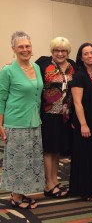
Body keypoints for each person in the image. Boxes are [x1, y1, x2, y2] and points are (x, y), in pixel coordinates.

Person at [0, 31, 44, 209]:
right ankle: (16, 196)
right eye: (21, 47)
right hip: (15, 122)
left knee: (30, 159)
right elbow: (1, 97)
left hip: (34, 121)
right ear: (13, 49)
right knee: (17, 160)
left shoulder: (37, 67)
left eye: (27, 46)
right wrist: (0, 124)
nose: (25, 49)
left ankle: (22, 191)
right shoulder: (8, 70)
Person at [35, 37, 76, 198]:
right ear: (52, 51)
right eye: (57, 50)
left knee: (57, 148)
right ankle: (49, 184)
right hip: (49, 113)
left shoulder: (72, 65)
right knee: (49, 149)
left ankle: (55, 179)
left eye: (63, 50)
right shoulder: (44, 64)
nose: (60, 53)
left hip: (66, 114)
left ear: (68, 52)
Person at [69, 43, 92, 200]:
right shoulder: (79, 75)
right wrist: (83, 124)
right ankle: (84, 190)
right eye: (86, 53)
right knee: (84, 158)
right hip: (85, 123)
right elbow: (77, 102)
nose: (90, 56)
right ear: (81, 57)